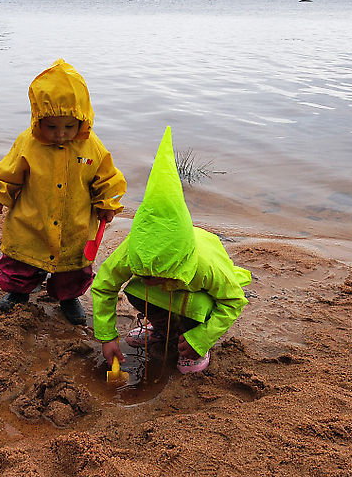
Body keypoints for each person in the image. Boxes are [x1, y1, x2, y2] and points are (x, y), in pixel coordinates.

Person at [91, 126, 251, 373]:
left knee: (197, 306)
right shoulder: (133, 250)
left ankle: (190, 336)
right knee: (136, 291)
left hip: (196, 292)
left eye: (157, 276)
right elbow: (104, 285)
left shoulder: (204, 264)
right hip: (176, 288)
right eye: (145, 275)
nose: (150, 281)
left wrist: (201, 338)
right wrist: (107, 336)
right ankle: (162, 330)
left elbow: (233, 302)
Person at [0, 59, 127, 325]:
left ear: (82, 120)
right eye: (51, 127)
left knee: (73, 268)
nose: (60, 134)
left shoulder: (91, 146)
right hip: (31, 222)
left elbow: (106, 177)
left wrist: (108, 202)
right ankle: (18, 292)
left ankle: (68, 297)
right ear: (38, 119)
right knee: (21, 262)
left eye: (69, 127)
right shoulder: (28, 143)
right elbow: (10, 173)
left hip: (75, 224)